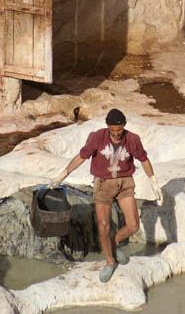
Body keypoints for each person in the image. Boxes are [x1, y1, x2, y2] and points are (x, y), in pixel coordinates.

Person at [49, 108, 163, 283]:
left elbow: (144, 160)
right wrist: (62, 175)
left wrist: (154, 183)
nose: (116, 134)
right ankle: (110, 262)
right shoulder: (97, 138)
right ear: (107, 127)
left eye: (119, 130)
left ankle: (113, 243)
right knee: (103, 226)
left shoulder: (132, 139)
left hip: (125, 182)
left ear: (124, 126)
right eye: (113, 131)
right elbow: (81, 157)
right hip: (103, 184)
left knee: (133, 225)